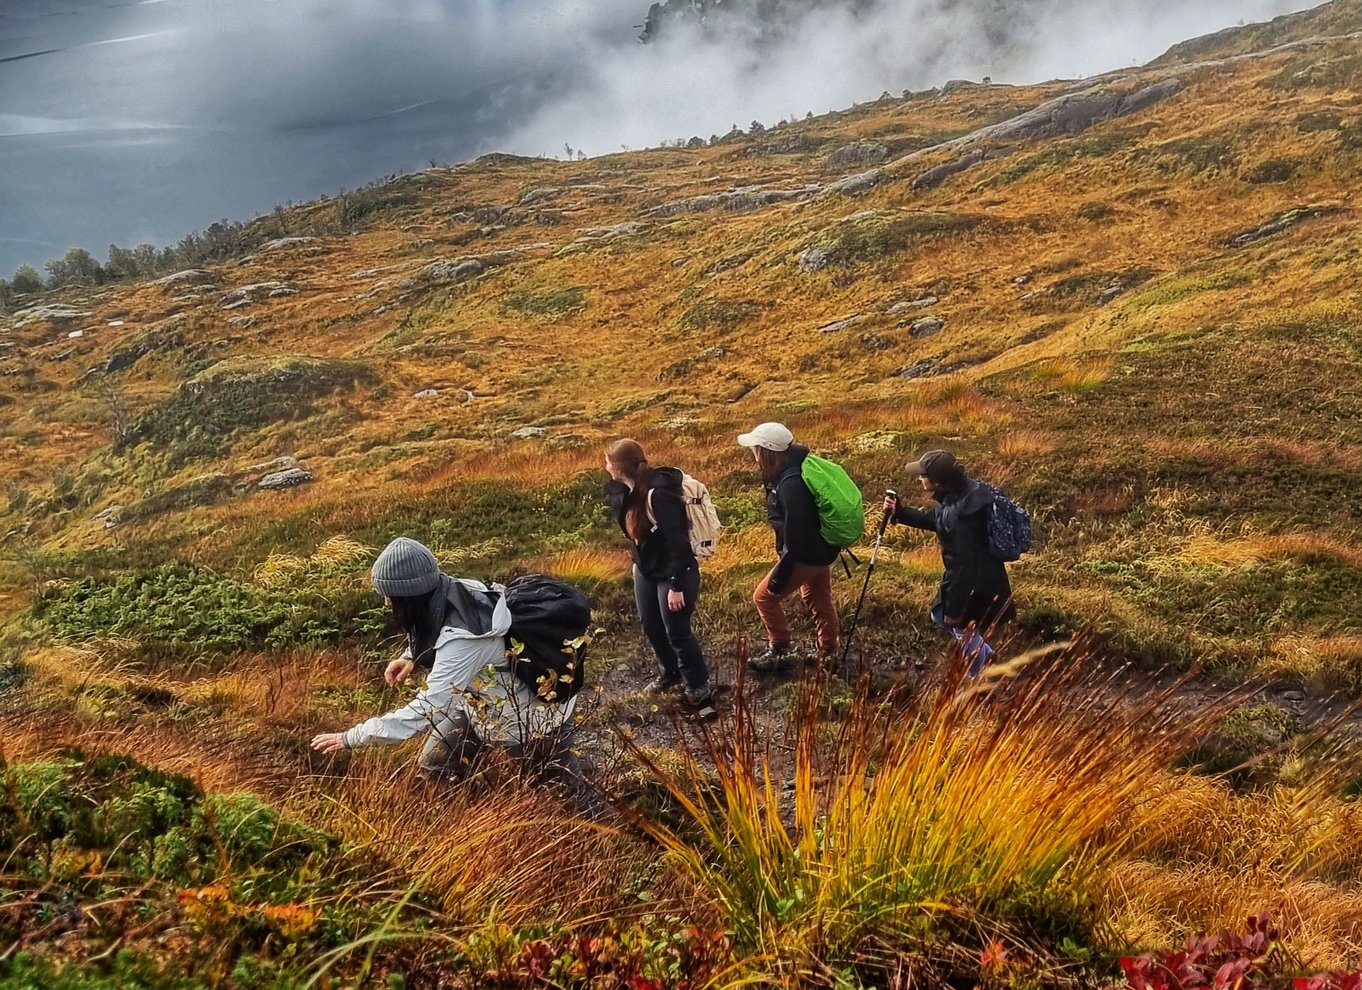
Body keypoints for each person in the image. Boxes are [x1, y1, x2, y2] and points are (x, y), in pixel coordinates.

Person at [310, 537, 591, 796]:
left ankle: (613, 833)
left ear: (410, 598)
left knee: (564, 795)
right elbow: (434, 627)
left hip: (532, 721)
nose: (386, 602)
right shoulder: (454, 589)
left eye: (390, 597)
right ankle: (483, 821)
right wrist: (411, 657)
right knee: (437, 766)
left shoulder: (463, 642)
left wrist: (352, 737)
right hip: (482, 706)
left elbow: (427, 709)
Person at [604, 439, 716, 720]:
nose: (605, 467)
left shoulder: (659, 495)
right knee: (651, 624)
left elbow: (678, 543)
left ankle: (698, 687)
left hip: (676, 571)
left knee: (676, 630)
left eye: (607, 462)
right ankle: (670, 672)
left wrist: (676, 586)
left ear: (618, 468)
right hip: (646, 569)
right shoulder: (624, 491)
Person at [883, 450, 1016, 677]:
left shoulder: (959, 517)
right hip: (989, 578)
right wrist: (901, 513)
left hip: (977, 586)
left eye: (923, 475)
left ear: (938, 482)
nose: (920, 478)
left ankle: (984, 676)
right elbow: (938, 519)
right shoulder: (965, 495)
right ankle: (989, 665)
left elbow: (963, 567)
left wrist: (954, 610)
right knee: (948, 621)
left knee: (958, 626)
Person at [737, 422, 840, 671]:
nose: (752, 451)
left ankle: (780, 650)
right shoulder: (795, 470)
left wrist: (780, 575)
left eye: (755, 447)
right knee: (817, 597)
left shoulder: (790, 484)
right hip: (822, 549)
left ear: (766, 451)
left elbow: (796, 537)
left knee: (764, 598)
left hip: (806, 555)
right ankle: (828, 652)